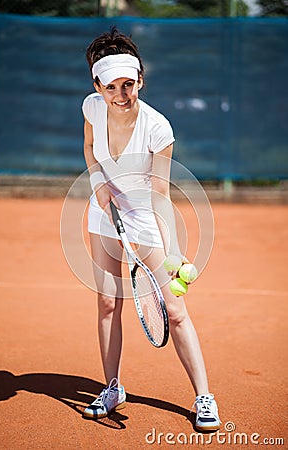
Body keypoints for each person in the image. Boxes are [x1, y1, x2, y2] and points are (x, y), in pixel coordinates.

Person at [81, 27, 221, 432]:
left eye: (129, 84)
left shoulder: (158, 128)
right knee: (108, 305)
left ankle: (203, 396)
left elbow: (161, 192)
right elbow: (90, 149)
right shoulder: (91, 107)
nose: (121, 95)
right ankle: (112, 387)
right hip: (103, 211)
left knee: (175, 311)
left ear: (141, 80)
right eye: (112, 87)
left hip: (144, 215)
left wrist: (174, 248)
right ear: (98, 86)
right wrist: (98, 184)